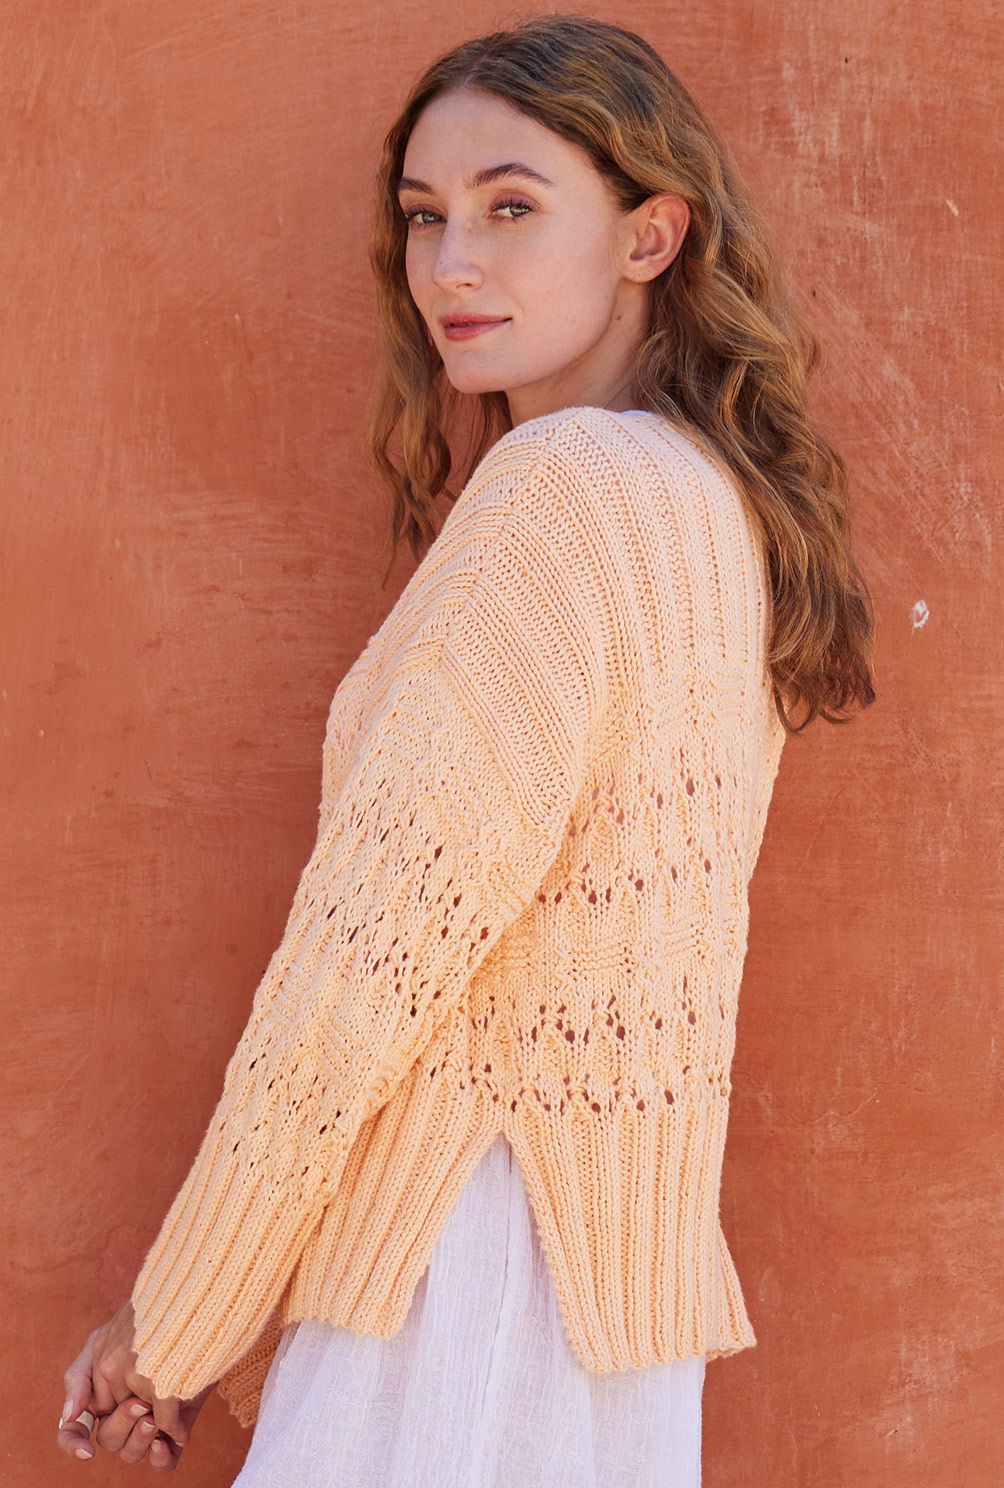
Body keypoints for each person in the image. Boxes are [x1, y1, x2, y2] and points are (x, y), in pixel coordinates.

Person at [57, 13, 876, 1484]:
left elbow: (362, 969)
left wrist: (176, 1318)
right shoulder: (708, 510)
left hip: (460, 1283)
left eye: (511, 207)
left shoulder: (559, 494)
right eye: (426, 217)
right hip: (610, 1315)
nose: (450, 265)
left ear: (650, 237)